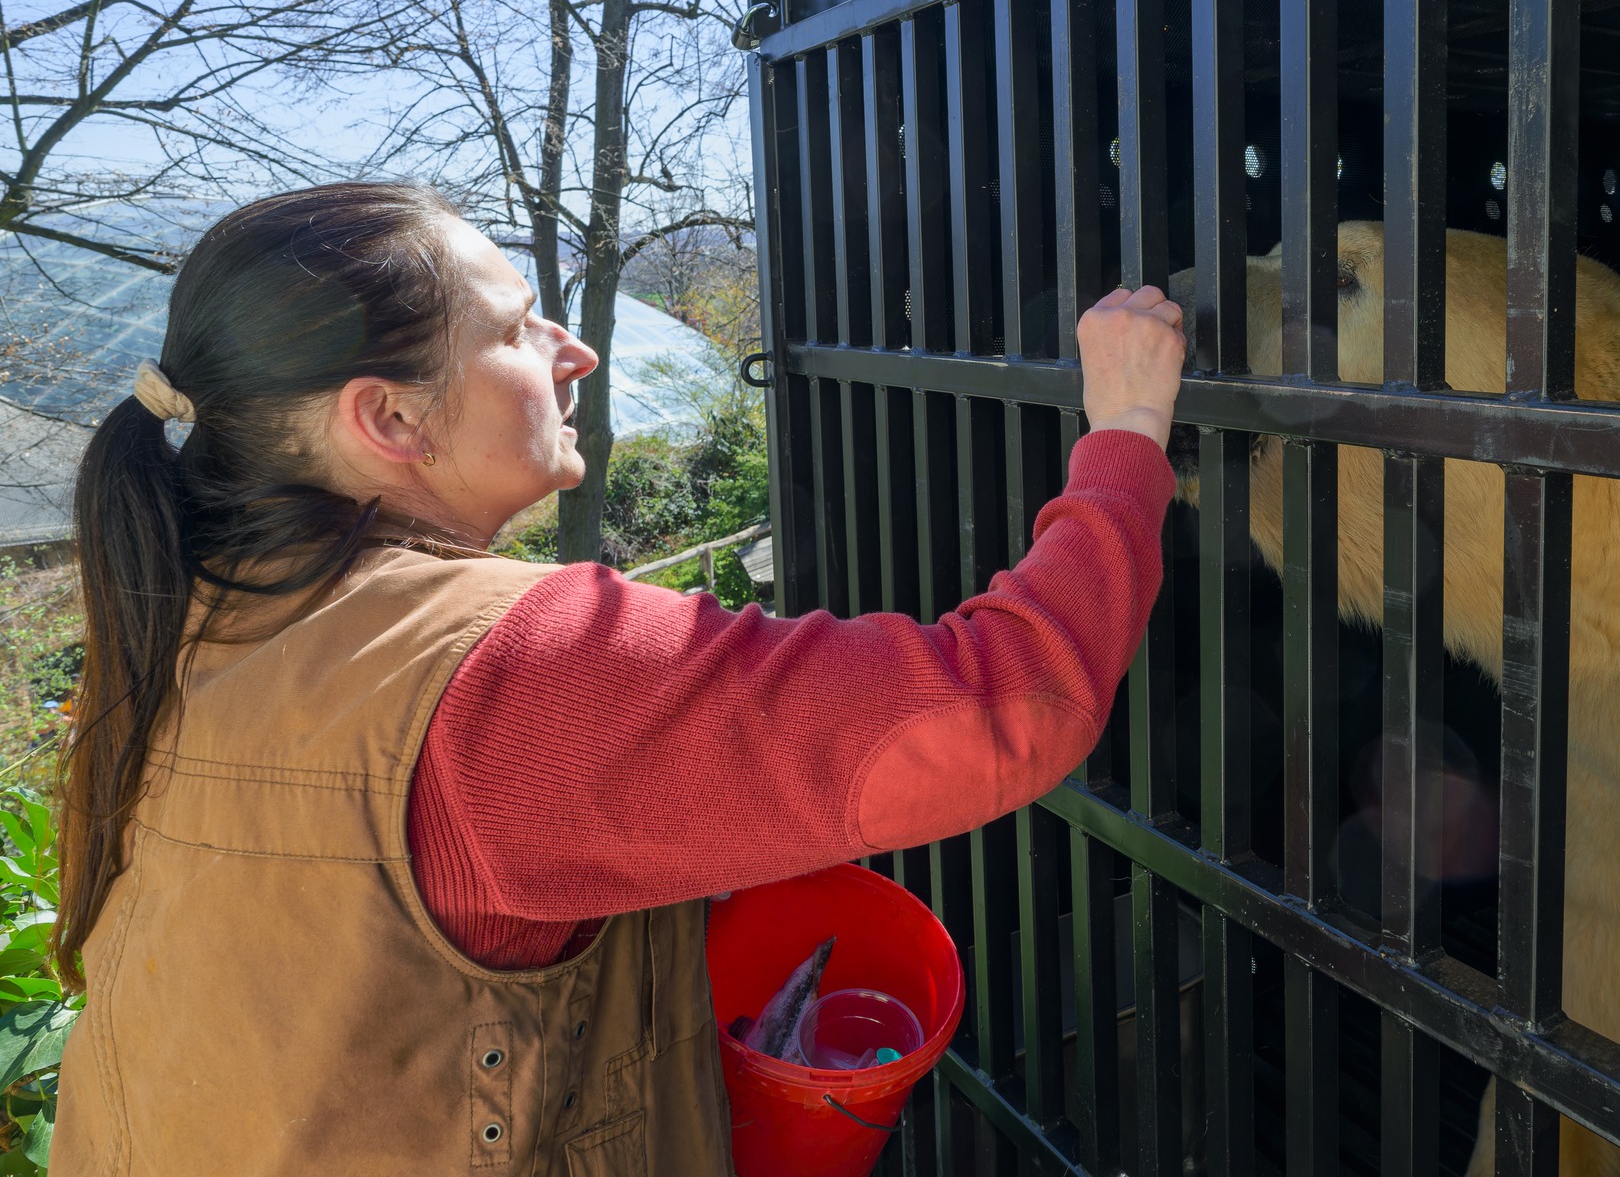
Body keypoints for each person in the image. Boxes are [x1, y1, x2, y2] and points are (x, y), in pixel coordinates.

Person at [47, 182, 1185, 1175]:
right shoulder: (509, 666)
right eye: (511, 329)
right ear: (388, 417)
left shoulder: (176, 622)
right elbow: (1011, 703)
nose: (570, 349)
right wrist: (1127, 426)